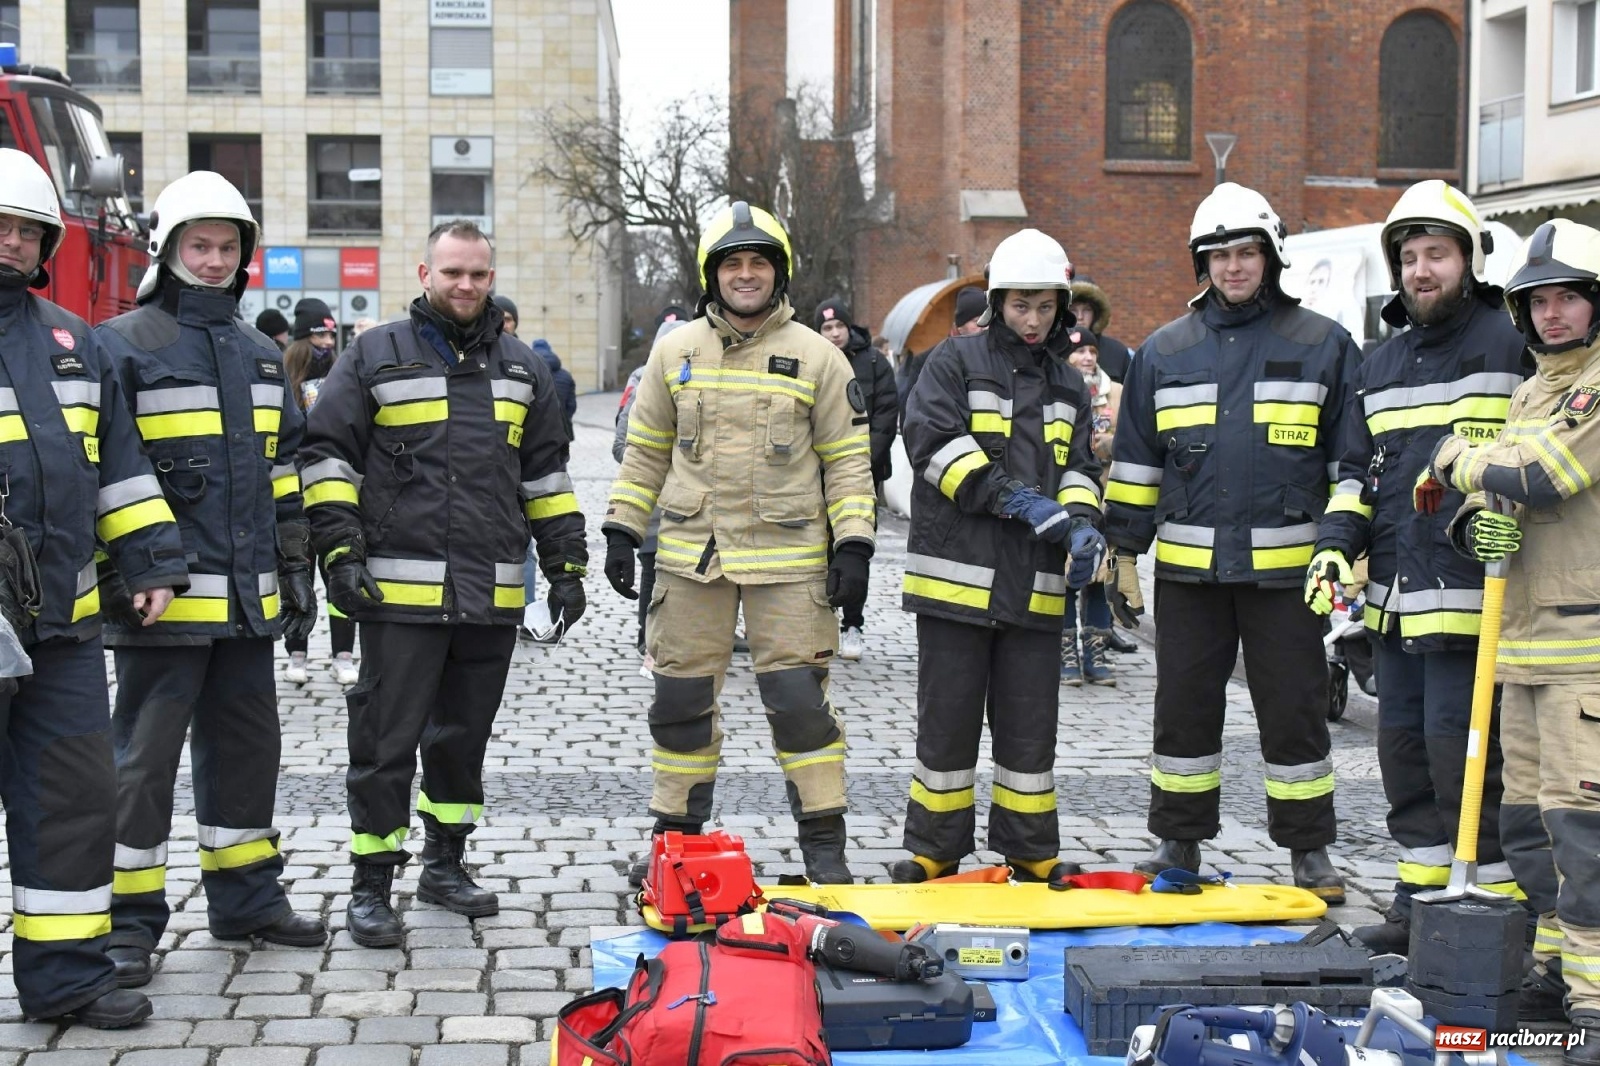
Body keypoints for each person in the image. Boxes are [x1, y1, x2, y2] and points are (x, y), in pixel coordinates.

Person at [298, 219, 586, 946]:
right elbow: (329, 457)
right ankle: (371, 881)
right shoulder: (372, 354)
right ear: (424, 273)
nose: (465, 285)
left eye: (478, 274)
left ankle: (444, 864)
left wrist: (567, 565)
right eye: (452, 272)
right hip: (396, 597)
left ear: (491, 278)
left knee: (463, 741)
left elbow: (546, 476)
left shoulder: (523, 368)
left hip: (488, 595)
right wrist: (339, 555)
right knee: (384, 741)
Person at [95, 170, 330, 988]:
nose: (214, 258)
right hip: (160, 605)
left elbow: (284, 473)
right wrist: (131, 572)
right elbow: (106, 472)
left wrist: (296, 574)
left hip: (246, 603)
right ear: (169, 249)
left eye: (228, 246)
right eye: (199, 244)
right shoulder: (122, 344)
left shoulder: (263, 355)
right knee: (142, 767)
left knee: (247, 753)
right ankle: (127, 923)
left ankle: (246, 899)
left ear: (245, 256)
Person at [602, 202, 875, 886]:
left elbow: (847, 463)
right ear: (711, 274)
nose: (746, 275)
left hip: (790, 566)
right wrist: (620, 529)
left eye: (759, 263)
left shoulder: (821, 356)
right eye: (733, 263)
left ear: (778, 274)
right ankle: (675, 843)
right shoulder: (674, 351)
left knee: (800, 706)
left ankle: (824, 848)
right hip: (694, 560)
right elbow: (646, 454)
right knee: (679, 704)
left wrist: (856, 546)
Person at [1103, 183, 1358, 902]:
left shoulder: (1323, 344)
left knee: (1296, 711)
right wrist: (1123, 553)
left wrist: (1345, 541)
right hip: (1189, 577)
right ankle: (1177, 840)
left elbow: (1350, 461)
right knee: (1184, 708)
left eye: (1246, 252)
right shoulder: (1165, 351)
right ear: (1201, 264)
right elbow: (1136, 462)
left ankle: (1309, 851)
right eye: (1219, 255)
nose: (1233, 267)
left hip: (1288, 579)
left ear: (1271, 258)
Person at [1309, 181, 1528, 954]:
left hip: (1478, 601)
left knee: (1469, 758)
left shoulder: (1512, 345)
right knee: (1401, 751)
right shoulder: (1382, 361)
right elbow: (1356, 472)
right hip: (1394, 602)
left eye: (1437, 253)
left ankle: (1498, 914)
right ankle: (1418, 900)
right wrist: (1337, 540)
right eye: (1409, 257)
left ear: (1469, 259)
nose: (1421, 269)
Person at [0, 149, 187, 1028]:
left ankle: (66, 978)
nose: (10, 242)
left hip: (63, 631)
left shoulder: (72, 340)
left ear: (44, 244)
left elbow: (117, 466)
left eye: (25, 230)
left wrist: (149, 563)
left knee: (73, 806)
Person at [1430, 219, 1600, 1054]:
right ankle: (1553, 973)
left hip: (1588, 657)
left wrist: (1456, 457)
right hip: (1524, 648)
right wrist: (1474, 529)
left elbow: (1541, 477)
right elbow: (1488, 507)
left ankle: (1597, 1001)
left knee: (1585, 834)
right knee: (1528, 826)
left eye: (1567, 296)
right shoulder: (1534, 390)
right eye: (1537, 301)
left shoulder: (1597, 387)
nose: (1551, 313)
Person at [893, 228, 1107, 884]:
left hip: (1036, 586)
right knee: (948, 725)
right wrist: (1019, 501)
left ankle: (1030, 845)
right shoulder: (952, 364)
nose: (1034, 320)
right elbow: (932, 446)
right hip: (958, 581)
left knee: (1028, 727)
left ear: (1062, 305)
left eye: (1045, 307)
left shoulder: (1069, 384)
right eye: (1021, 306)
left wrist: (1083, 521)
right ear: (997, 301)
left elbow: (1075, 467)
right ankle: (934, 847)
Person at [814, 297, 898, 661]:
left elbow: (885, 415)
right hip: (817, 473)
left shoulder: (876, 363)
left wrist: (862, 460)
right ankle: (823, 618)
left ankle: (853, 624)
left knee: (855, 544)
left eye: (838, 327)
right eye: (826, 329)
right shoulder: (812, 360)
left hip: (865, 470)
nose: (834, 334)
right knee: (820, 548)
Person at [282, 319, 359, 686]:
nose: (327, 343)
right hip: (293, 494)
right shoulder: (284, 379)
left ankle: (342, 654)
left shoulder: (341, 374)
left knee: (339, 571)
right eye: (320, 336)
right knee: (297, 572)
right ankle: (296, 652)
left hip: (334, 489)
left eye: (331, 336)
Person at [613, 315, 690, 656]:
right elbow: (621, 446)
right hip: (655, 499)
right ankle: (647, 635)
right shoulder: (642, 380)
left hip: (693, 503)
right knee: (651, 567)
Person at [1061, 325, 1121, 686]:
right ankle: (1065, 652)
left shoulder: (1116, 393)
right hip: (1070, 500)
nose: (1087, 357)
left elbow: (1133, 440)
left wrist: (1107, 444)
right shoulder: (1058, 390)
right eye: (1080, 352)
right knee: (1069, 575)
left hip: (1111, 501)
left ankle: (1096, 652)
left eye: (1092, 352)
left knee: (1106, 574)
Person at [898, 285, 987, 425]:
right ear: (959, 326)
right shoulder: (929, 361)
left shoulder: (998, 359)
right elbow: (911, 415)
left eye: (987, 319)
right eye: (976, 321)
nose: (984, 325)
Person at [1067, 275, 1134, 383]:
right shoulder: (1052, 350)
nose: (1080, 317)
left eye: (1087, 310)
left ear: (1096, 314)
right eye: (1073, 310)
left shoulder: (1117, 352)